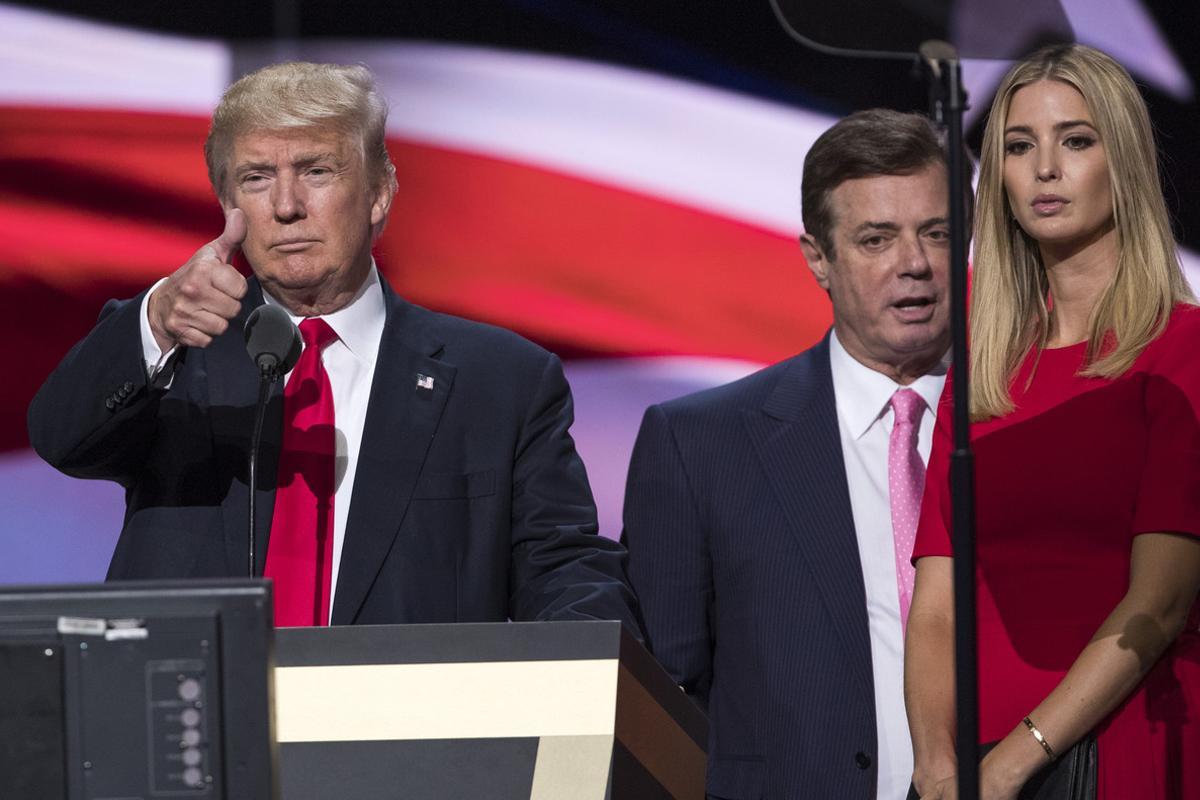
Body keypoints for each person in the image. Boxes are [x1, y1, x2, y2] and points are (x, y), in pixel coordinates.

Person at [27, 62, 641, 634]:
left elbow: (562, 569)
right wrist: (156, 319)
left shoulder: (500, 382)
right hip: (195, 727)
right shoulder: (179, 349)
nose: (287, 207)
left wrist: (589, 671)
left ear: (378, 194)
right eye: (256, 178)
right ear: (228, 206)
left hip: (399, 735)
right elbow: (63, 437)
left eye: (316, 171)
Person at [623, 109, 959, 798]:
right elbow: (664, 697)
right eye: (876, 239)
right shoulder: (701, 443)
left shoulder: (1025, 425)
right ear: (818, 259)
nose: (915, 264)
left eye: (937, 233)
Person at [906, 44, 1200, 799]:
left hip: (1121, 742)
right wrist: (939, 768)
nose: (1044, 169)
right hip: (971, 762)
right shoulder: (980, 374)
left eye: (1075, 140)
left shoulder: (1183, 349)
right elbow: (937, 607)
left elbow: (1160, 600)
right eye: (1018, 146)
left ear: (1122, 160)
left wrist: (1016, 759)